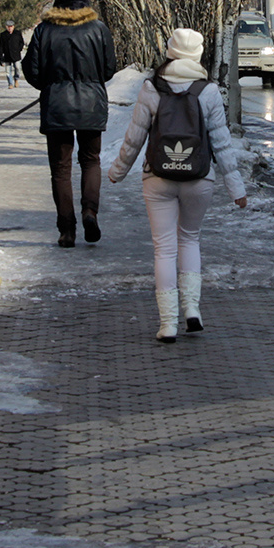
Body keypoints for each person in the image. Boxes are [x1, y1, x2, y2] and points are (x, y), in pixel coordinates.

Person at [108, 28, 248, 343]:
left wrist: (118, 171)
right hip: (199, 178)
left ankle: (168, 323)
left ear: (170, 52)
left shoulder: (151, 88)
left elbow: (135, 137)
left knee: (164, 249)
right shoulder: (209, 91)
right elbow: (222, 144)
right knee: (190, 241)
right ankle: (192, 310)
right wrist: (236, 189)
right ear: (197, 55)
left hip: (157, 178)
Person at [22, 0, 117, 247]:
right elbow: (109, 69)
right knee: (90, 161)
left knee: (61, 170)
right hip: (91, 105)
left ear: (57, 0)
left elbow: (33, 72)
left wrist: (52, 86)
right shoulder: (98, 28)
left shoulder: (44, 31)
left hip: (57, 107)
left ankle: (66, 230)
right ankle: (90, 211)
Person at [0, 19, 25, 88]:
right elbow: (1, 46)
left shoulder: (17, 33)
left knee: (17, 68)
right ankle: (10, 83)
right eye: (8, 26)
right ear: (6, 27)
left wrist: (19, 49)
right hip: (7, 55)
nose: (10, 28)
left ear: (13, 27)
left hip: (16, 55)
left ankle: (16, 79)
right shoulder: (3, 35)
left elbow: (21, 42)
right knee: (8, 71)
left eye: (11, 26)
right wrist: (0, 55)